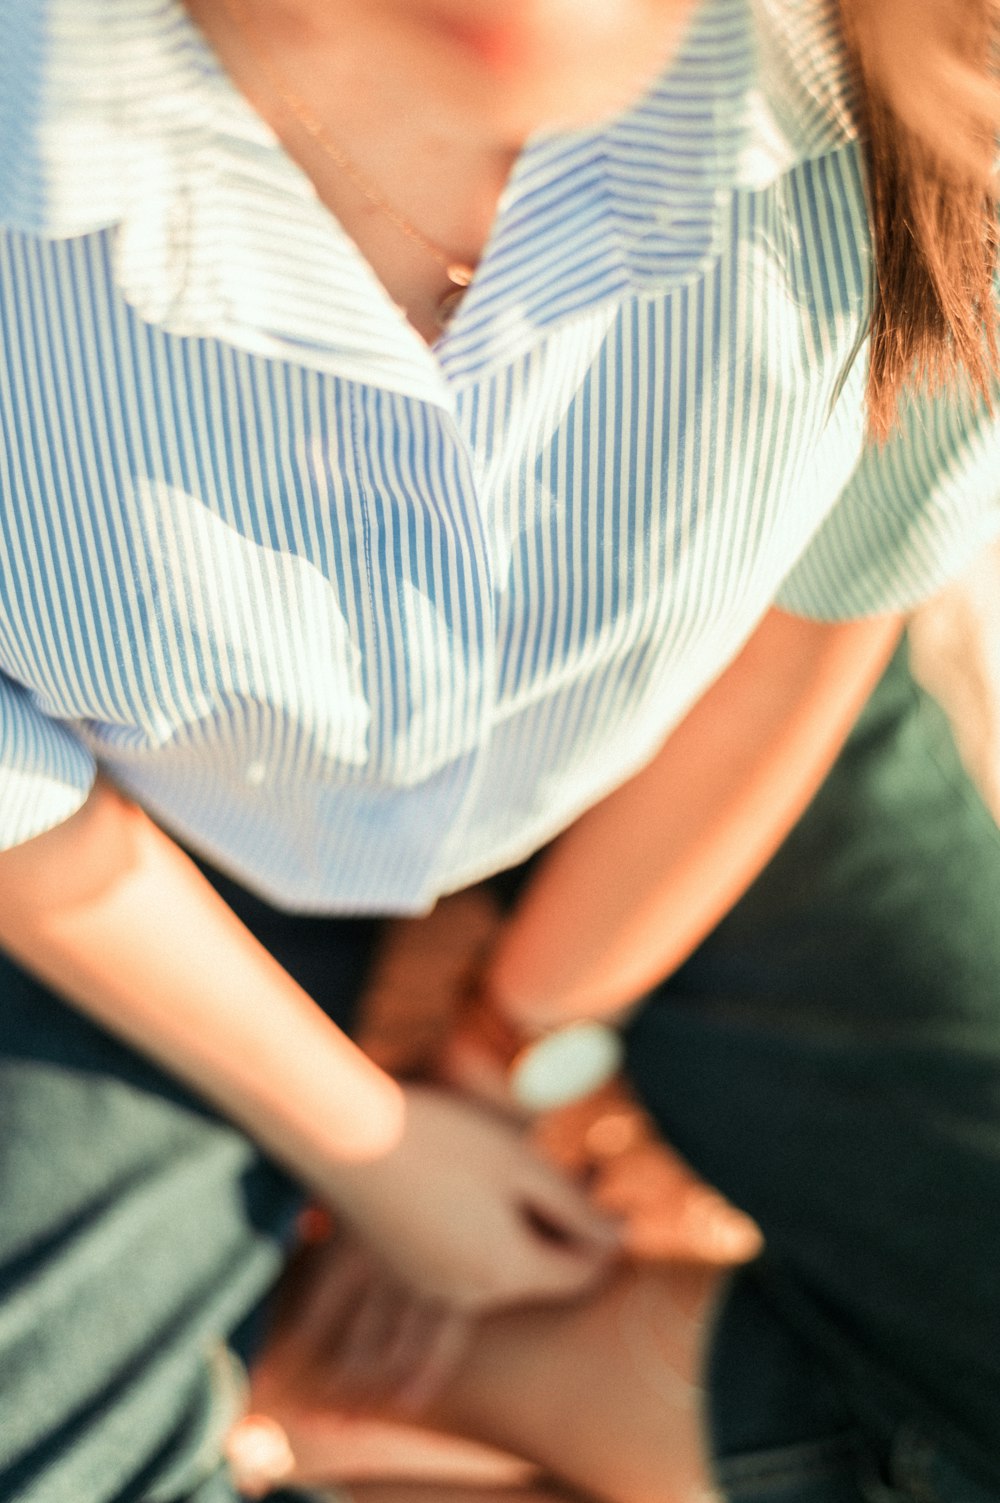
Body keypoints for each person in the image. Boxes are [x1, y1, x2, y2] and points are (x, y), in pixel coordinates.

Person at [1, 0, 999, 1499]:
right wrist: (370, 1149)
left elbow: (819, 608)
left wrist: (507, 1051)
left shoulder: (937, 70)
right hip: (135, 851)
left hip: (689, 756)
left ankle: (511, 1366)